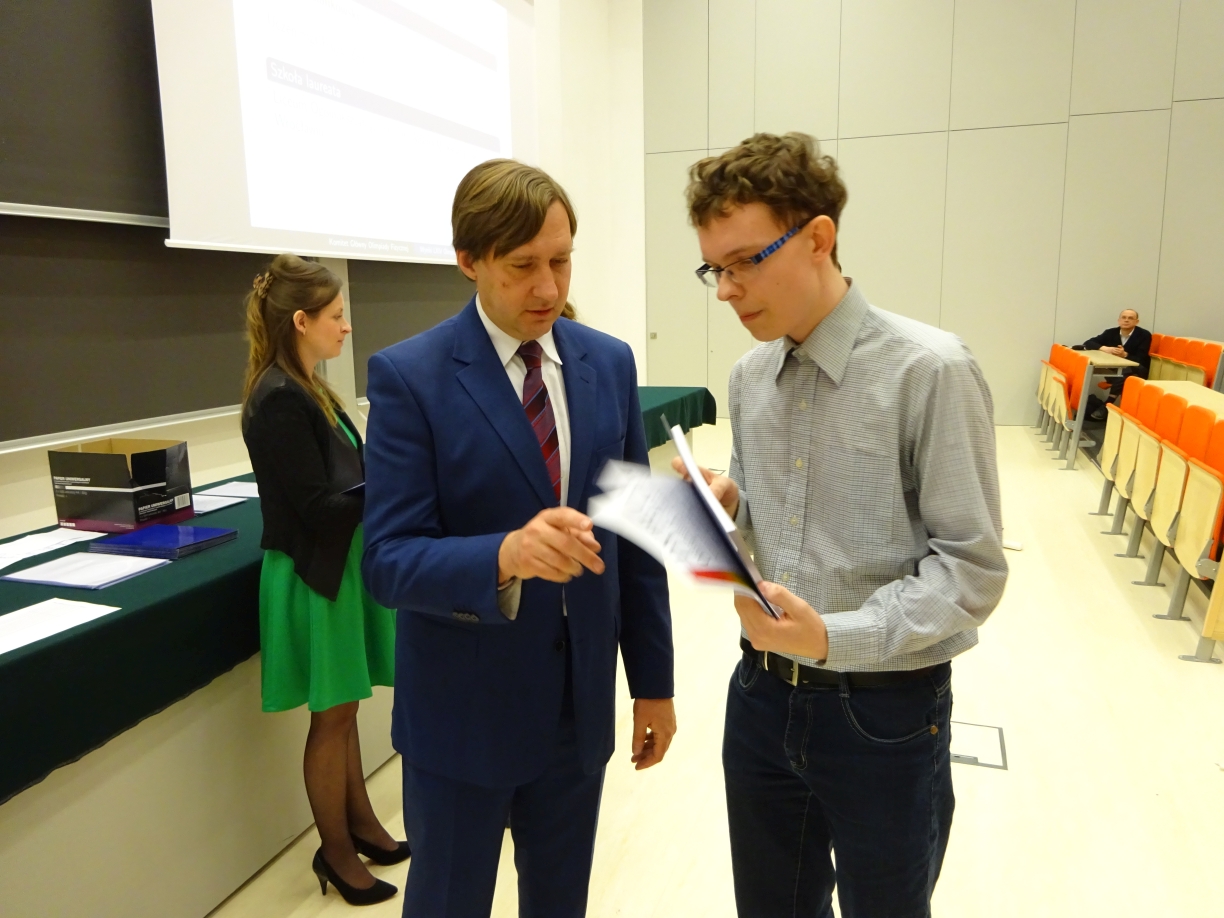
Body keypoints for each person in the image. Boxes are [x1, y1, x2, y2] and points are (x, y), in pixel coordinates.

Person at [676, 133, 1008, 918]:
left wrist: (833, 636)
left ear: (818, 238)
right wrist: (731, 506)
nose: (726, 291)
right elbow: (774, 519)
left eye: (744, 262)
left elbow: (971, 569)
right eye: (714, 269)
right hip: (759, 694)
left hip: (883, 713)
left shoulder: (929, 370)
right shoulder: (750, 377)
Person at [361, 160, 676, 918]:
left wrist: (653, 683)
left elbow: (634, 539)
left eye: (561, 261)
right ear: (469, 261)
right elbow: (388, 561)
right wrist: (503, 555)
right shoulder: (410, 377)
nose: (547, 287)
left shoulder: (608, 362)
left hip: (577, 713)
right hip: (462, 719)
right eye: (522, 266)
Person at [241, 254, 408, 907]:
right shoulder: (280, 398)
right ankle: (335, 851)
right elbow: (317, 508)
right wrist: (391, 484)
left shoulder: (310, 387)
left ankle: (360, 824)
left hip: (340, 565)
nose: (346, 327)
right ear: (301, 321)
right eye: (336, 316)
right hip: (316, 575)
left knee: (345, 708)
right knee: (332, 716)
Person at [1079, 309, 1151, 419]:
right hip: (1115, 368)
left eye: (1130, 318)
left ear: (1136, 322)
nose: (1126, 320)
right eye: (1124, 317)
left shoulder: (1144, 335)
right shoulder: (1111, 332)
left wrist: (1125, 355)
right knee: (1122, 374)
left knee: (1125, 374)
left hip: (1137, 370)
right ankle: (1106, 406)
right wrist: (1105, 348)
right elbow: (1088, 342)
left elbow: (1141, 358)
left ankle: (1108, 404)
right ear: (1119, 320)